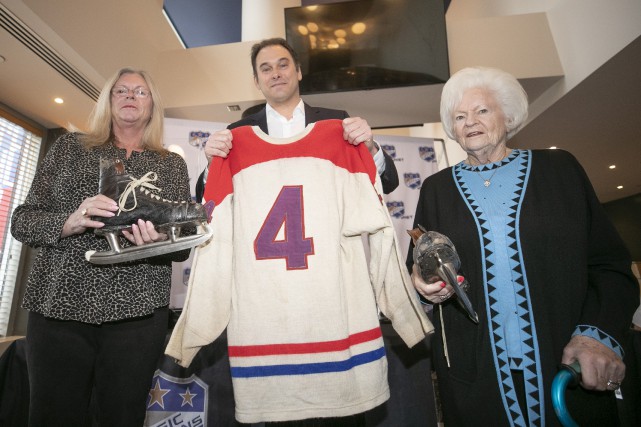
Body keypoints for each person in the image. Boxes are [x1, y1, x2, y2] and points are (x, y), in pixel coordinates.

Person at [407, 66, 638, 426]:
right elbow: (421, 265)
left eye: (482, 110)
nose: (470, 122)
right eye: (460, 116)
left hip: (566, 366)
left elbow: (610, 267)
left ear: (508, 115)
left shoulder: (559, 169)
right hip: (474, 374)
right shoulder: (437, 189)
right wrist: (423, 287)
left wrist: (596, 335)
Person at [10, 67, 195, 426]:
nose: (130, 97)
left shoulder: (170, 164)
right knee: (51, 416)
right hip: (58, 307)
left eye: (140, 92)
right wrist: (72, 220)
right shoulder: (69, 148)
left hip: (138, 316)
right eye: (121, 91)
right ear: (108, 100)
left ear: (152, 105)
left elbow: (184, 243)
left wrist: (157, 239)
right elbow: (23, 220)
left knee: (122, 418)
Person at [194, 37, 399, 203]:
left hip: (330, 247)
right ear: (257, 81)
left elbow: (387, 184)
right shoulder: (238, 133)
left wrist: (370, 149)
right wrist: (213, 165)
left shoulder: (337, 123)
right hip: (260, 251)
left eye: (283, 65)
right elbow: (209, 199)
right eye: (266, 69)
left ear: (298, 72)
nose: (276, 74)